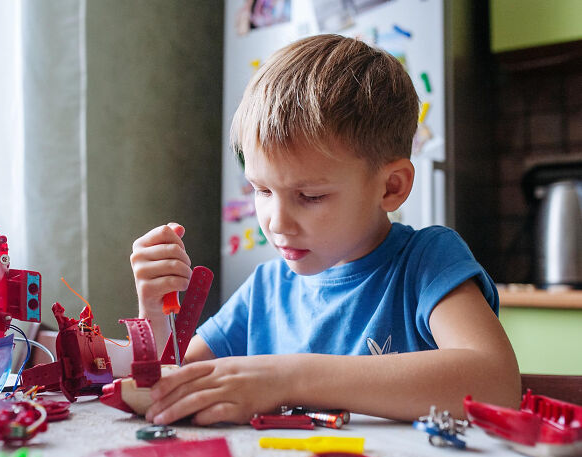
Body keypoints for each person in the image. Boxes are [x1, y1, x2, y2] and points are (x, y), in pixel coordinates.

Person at [129, 34, 520, 426]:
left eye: (310, 196)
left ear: (391, 187)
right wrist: (154, 315)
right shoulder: (265, 288)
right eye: (261, 190)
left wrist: (287, 378)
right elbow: (172, 386)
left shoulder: (427, 262)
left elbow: (496, 384)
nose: (276, 223)